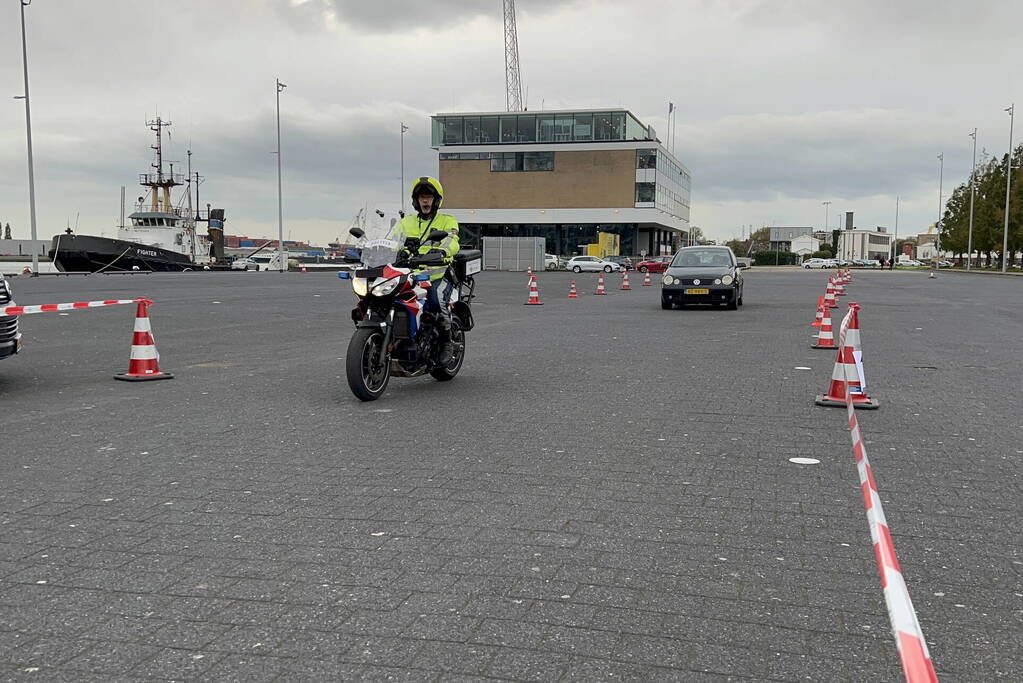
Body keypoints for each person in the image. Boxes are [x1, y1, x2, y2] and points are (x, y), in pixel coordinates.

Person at [388, 176, 460, 359]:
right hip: (410, 273)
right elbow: (392, 242)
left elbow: (452, 241)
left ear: (436, 200)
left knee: (436, 300)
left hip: (438, 274)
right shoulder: (406, 222)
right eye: (422, 197)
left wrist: (441, 252)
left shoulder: (447, 220)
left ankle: (446, 342)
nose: (425, 200)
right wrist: (386, 250)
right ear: (416, 201)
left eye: (428, 196)